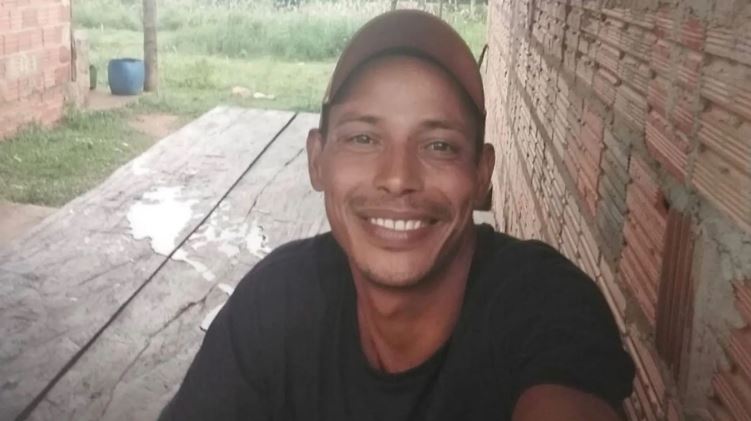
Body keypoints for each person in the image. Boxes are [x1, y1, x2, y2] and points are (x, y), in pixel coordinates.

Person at [159, 10, 634, 421]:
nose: (397, 177)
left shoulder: (542, 302)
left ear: (481, 174)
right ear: (317, 161)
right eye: (363, 138)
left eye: (439, 145)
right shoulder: (277, 302)